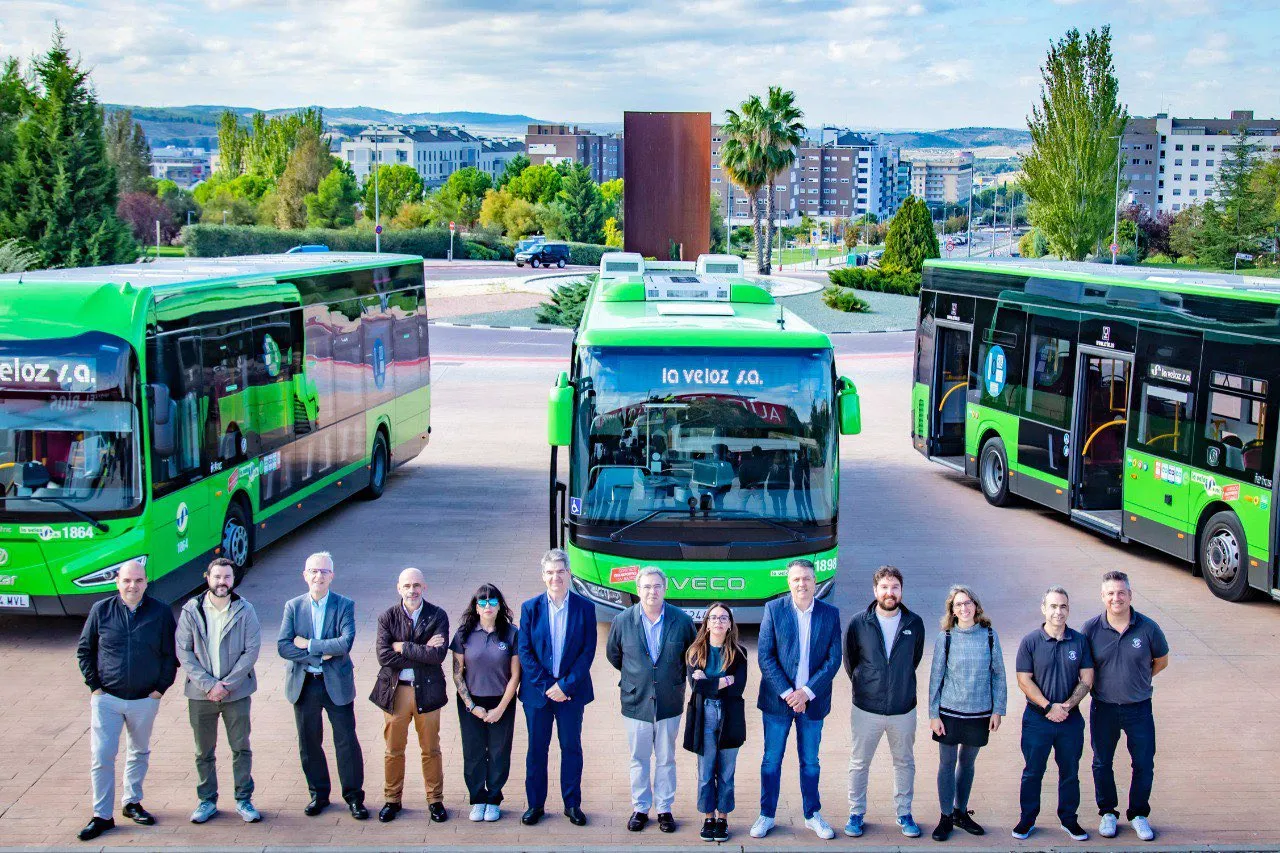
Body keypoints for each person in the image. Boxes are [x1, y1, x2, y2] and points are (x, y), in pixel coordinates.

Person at [75, 560, 178, 841]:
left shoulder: (160, 612)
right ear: (117, 582)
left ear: (146, 582)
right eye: (127, 580)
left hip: (145, 699)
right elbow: (85, 651)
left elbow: (170, 655)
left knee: (139, 752)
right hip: (106, 698)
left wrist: (160, 689)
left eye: (138, 581)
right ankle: (102, 816)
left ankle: (131, 803)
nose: (133, 586)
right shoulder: (101, 611)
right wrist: (95, 687)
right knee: (102, 756)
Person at [751, 559, 843, 840]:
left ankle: (812, 815)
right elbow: (765, 656)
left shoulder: (830, 613)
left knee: (811, 761)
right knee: (771, 760)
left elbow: (833, 658)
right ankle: (766, 815)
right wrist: (790, 694)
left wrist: (807, 693)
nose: (801, 584)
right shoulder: (773, 610)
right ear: (788, 583)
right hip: (778, 702)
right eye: (796, 579)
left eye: (806, 579)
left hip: (813, 703)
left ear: (815, 582)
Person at [605, 566, 697, 834]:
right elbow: (615, 656)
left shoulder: (681, 620)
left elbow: (690, 657)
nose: (652, 592)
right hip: (636, 701)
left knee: (666, 758)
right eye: (646, 587)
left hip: (670, 700)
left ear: (665, 589)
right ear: (638, 590)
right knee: (639, 757)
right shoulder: (622, 621)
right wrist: (638, 677)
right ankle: (641, 808)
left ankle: (665, 809)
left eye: (657, 586)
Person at [277, 552, 367, 820]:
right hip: (305, 684)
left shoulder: (344, 605)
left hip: (336, 684)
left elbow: (345, 643)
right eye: (314, 571)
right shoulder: (293, 607)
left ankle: (353, 797)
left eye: (324, 572)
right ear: (305, 575)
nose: (319, 576)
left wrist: (308, 644)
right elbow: (283, 646)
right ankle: (318, 794)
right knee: (309, 742)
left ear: (332, 576)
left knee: (346, 742)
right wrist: (320, 653)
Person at [1081, 571, 1169, 842]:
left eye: (1121, 592)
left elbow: (1161, 660)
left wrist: (1140, 680)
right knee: (1101, 762)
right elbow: (1084, 668)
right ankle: (1108, 812)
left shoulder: (1148, 628)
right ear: (1103, 597)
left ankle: (1138, 815)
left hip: (1139, 708)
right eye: (1110, 593)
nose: (1116, 598)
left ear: (1130, 595)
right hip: (1103, 707)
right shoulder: (1091, 629)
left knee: (1143, 762)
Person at [176, 558, 263, 825]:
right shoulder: (191, 610)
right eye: (217, 577)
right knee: (203, 751)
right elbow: (184, 651)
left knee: (241, 748)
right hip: (201, 695)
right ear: (208, 578)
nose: (221, 582)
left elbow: (252, 651)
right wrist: (209, 685)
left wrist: (226, 685)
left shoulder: (245, 610)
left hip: (235, 694)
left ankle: (243, 799)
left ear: (233, 580)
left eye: (226, 577)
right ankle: (206, 801)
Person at [843, 565, 928, 839]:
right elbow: (850, 661)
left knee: (904, 762)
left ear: (901, 590)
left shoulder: (914, 623)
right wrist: (867, 683)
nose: (889, 593)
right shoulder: (859, 622)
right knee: (859, 763)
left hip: (903, 709)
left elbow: (913, 660)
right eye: (884, 587)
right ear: (875, 590)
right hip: (866, 707)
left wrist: (897, 683)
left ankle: (904, 813)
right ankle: (856, 814)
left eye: (895, 588)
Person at [516, 548, 596, 827]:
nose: (555, 577)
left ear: (569, 573)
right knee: (537, 750)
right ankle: (536, 805)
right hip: (538, 694)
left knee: (571, 748)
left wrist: (565, 686)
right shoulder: (530, 608)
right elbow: (524, 652)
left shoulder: (586, 608)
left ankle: (572, 804)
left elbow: (587, 652)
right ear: (543, 576)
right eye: (550, 572)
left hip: (571, 694)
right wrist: (549, 686)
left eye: (560, 571)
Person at [1013, 585, 1094, 842]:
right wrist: (1049, 707)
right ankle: (1027, 819)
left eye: (1063, 607)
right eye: (1053, 606)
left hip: (1070, 721)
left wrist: (1066, 707)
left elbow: (1087, 678)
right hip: (1037, 720)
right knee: (1033, 771)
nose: (1058, 612)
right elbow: (1024, 680)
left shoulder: (1079, 641)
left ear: (1068, 610)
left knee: (1069, 771)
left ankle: (1069, 820)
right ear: (1043, 608)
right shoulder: (1030, 642)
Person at [925, 585, 1006, 841]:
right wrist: (933, 714)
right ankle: (945, 816)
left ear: (976, 605)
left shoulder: (989, 636)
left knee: (967, 763)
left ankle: (961, 812)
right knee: (947, 763)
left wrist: (998, 709)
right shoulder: (946, 637)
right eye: (958, 605)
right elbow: (936, 676)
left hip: (979, 712)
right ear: (952, 610)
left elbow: (998, 675)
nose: (964, 608)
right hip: (949, 711)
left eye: (968, 603)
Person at [369, 568, 450, 823]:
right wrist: (421, 650)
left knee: (431, 749)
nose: (412, 590)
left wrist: (402, 646)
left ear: (424, 587)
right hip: (396, 692)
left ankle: (435, 800)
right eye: (407, 586)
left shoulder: (437, 615)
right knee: (393, 749)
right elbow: (384, 656)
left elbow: (437, 656)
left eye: (416, 585)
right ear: (398, 588)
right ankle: (392, 799)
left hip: (427, 691)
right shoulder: (387, 617)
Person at [450, 583, 521, 822]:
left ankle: (494, 799)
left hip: (502, 700)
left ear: (500, 606)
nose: (487, 606)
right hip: (471, 703)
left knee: (500, 752)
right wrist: (472, 707)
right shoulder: (463, 634)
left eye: (492, 602)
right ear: (476, 607)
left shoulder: (511, 633)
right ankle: (478, 798)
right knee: (474, 752)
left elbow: (515, 675)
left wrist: (501, 708)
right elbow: (457, 674)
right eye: (482, 602)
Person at [682, 602, 748, 843]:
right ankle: (708, 817)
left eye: (723, 618)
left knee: (727, 772)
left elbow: (737, 687)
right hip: (704, 715)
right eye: (713, 618)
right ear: (706, 623)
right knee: (706, 771)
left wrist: (708, 681)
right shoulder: (695, 651)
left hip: (730, 715)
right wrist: (721, 681)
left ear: (730, 624)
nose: (718, 622)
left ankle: (723, 818)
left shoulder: (739, 653)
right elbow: (695, 686)